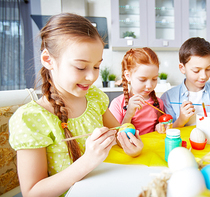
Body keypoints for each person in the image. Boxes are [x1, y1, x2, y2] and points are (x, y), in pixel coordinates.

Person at [8, 13, 142, 197]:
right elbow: (33, 192)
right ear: (48, 60)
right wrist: (88, 161)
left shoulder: (94, 97)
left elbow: (119, 134)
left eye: (96, 67)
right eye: (81, 67)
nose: (92, 77)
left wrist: (131, 145)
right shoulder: (31, 119)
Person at [109, 47, 165, 135]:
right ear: (128, 76)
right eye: (142, 79)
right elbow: (116, 136)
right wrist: (128, 114)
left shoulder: (159, 103)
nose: (150, 85)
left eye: (154, 79)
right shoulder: (117, 104)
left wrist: (160, 127)